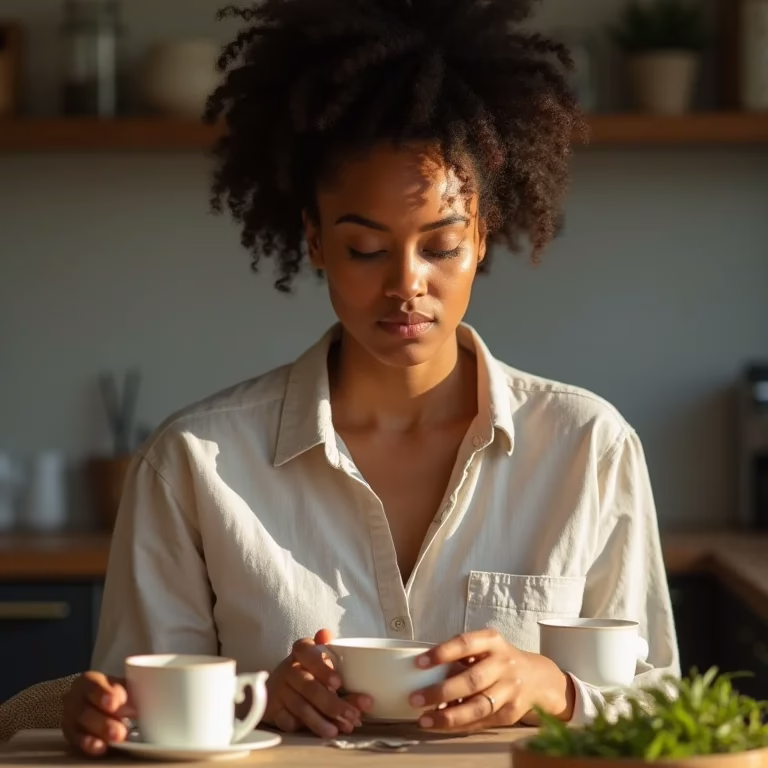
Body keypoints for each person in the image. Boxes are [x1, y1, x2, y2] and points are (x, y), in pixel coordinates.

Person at [62, 0, 679, 756]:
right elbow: (141, 716)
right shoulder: (193, 463)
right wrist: (255, 700)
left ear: (483, 237)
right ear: (316, 241)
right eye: (365, 250)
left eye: (441, 246)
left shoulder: (589, 447)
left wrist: (554, 688)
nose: (406, 284)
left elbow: (664, 707)